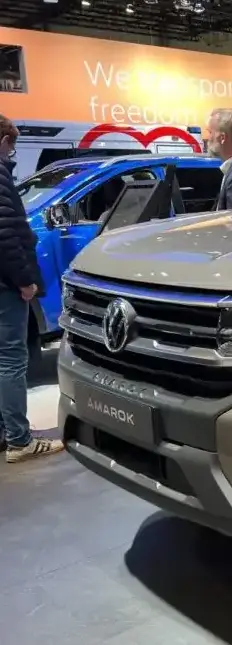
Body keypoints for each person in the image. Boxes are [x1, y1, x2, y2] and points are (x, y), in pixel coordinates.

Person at [0, 114, 64, 463]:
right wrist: (25, 280)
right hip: (6, 284)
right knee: (11, 359)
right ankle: (20, 441)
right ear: (3, 141)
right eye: (11, 146)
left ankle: (6, 432)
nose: (11, 154)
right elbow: (6, 235)